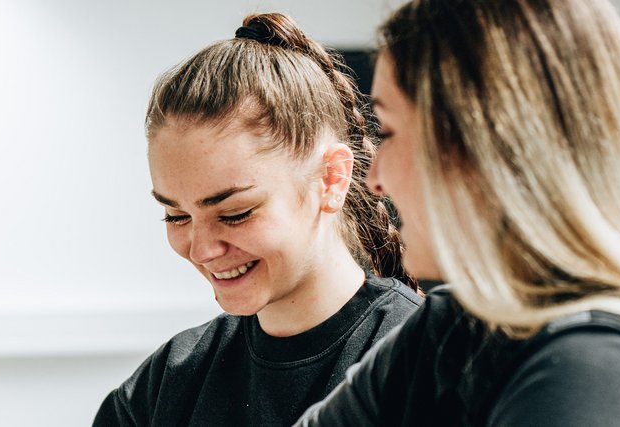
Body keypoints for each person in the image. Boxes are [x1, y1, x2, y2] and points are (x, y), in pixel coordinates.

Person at [295, 0, 620, 426]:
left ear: (483, 150)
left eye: (391, 131)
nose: (375, 177)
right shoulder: (452, 331)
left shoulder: (598, 372)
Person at [92, 13, 424, 427]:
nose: (201, 249)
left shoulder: (426, 361)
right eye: (176, 215)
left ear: (332, 178)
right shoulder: (165, 385)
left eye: (235, 214)